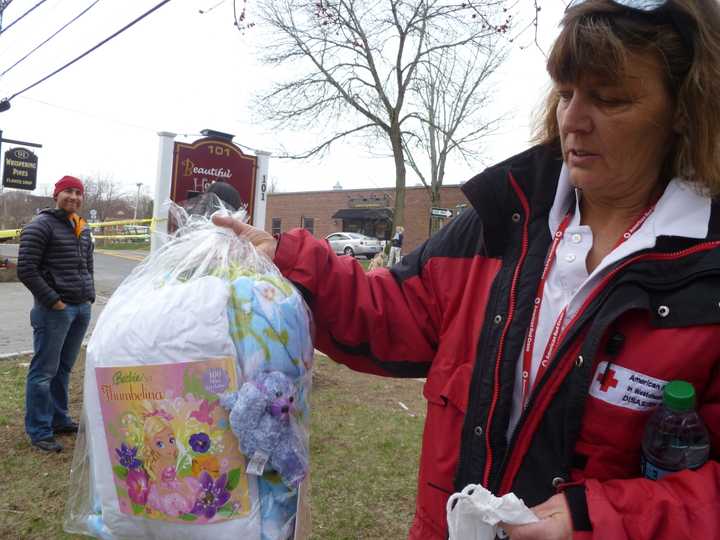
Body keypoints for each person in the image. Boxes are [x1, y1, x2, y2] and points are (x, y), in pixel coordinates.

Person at [213, 0, 720, 537]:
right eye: (567, 93)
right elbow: (391, 312)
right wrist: (291, 260)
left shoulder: (704, 270)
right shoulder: (505, 218)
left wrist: (595, 519)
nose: (573, 119)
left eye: (610, 99)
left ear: (684, 108)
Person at [17, 175, 94, 453]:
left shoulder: (81, 227)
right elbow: (26, 269)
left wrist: (90, 295)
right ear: (56, 194)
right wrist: (55, 302)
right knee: (43, 372)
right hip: (54, 312)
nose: (73, 197)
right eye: (68, 192)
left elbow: (87, 264)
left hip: (81, 308)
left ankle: (59, 419)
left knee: (63, 369)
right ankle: (39, 430)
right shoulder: (40, 226)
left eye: (78, 192)